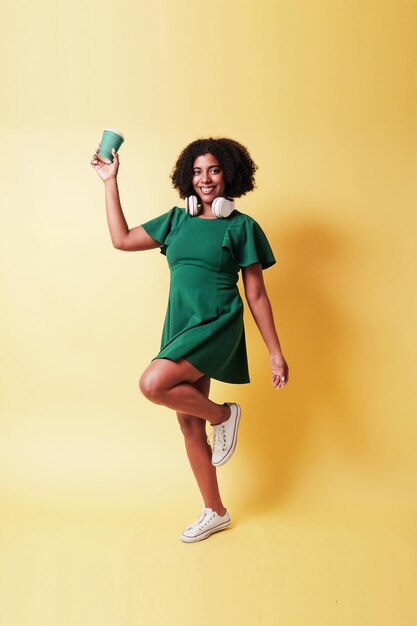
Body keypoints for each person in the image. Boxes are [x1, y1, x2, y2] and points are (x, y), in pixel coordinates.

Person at [90, 137, 289, 543]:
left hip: (217, 322)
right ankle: (214, 511)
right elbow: (122, 239)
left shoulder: (242, 226)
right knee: (187, 423)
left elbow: (256, 294)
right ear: (187, 177)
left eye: (213, 170)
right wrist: (110, 181)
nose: (205, 179)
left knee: (153, 384)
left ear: (228, 174)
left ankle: (223, 415)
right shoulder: (176, 221)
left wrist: (275, 352)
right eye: (197, 172)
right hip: (180, 324)